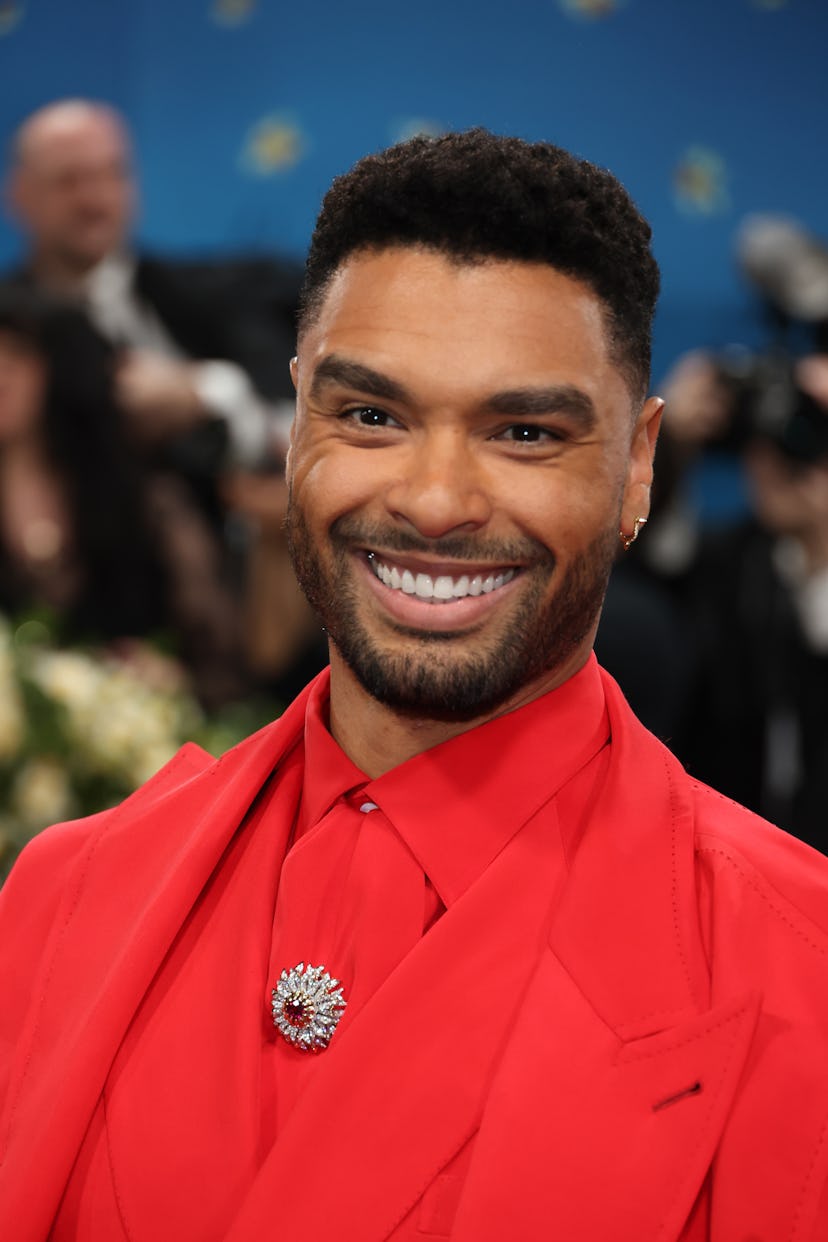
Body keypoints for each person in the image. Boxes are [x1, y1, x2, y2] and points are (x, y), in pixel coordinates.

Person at [1, 130, 827, 1242]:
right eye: (372, 416)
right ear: (296, 421)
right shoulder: (62, 899)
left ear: (638, 465)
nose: (435, 501)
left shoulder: (799, 966)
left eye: (525, 432)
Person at [2, 98, 301, 478]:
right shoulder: (9, 325)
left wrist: (204, 392)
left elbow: (299, 423)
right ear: (19, 194)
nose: (93, 199)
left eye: (110, 174)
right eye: (69, 180)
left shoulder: (212, 293)